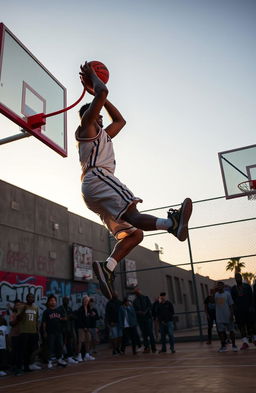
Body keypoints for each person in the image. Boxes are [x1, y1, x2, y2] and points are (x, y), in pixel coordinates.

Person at [76, 61, 193, 300]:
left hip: (95, 187)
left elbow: (121, 121)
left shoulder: (104, 134)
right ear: (91, 115)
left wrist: (100, 97)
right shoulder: (87, 127)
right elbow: (103, 92)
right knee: (133, 211)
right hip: (98, 178)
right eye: (97, 113)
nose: (101, 117)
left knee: (135, 234)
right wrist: (94, 81)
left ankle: (106, 267)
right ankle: (173, 223)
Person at [17, 293, 41, 371]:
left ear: (34, 299)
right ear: (26, 298)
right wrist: (24, 309)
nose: (31, 298)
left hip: (33, 332)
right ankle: (21, 366)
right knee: (23, 350)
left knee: (32, 349)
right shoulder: (22, 307)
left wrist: (37, 330)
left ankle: (29, 365)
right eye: (29, 297)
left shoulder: (35, 308)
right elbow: (18, 318)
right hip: (24, 331)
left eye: (32, 297)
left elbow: (36, 320)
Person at [231, 273, 256, 350]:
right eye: (236, 277)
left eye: (239, 277)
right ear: (235, 279)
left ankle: (255, 340)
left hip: (248, 310)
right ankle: (245, 343)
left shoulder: (247, 286)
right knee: (241, 327)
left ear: (241, 278)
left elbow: (252, 297)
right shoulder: (233, 288)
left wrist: (251, 307)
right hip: (239, 312)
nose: (238, 278)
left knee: (251, 326)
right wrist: (234, 312)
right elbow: (233, 301)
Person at [41, 295, 67, 369]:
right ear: (48, 302)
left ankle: (59, 360)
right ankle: (49, 361)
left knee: (59, 346)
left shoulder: (59, 310)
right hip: (50, 332)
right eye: (51, 300)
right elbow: (44, 323)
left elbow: (63, 318)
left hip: (58, 331)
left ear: (56, 302)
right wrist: (44, 331)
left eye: (54, 300)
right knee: (50, 347)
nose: (53, 302)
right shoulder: (46, 312)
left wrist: (64, 319)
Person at [215, 281, 238, 353]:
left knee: (231, 331)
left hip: (228, 316)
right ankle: (223, 346)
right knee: (221, 332)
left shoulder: (227, 294)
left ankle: (234, 345)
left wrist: (231, 315)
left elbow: (231, 305)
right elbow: (213, 302)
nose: (219, 287)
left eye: (220, 285)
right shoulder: (215, 294)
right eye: (218, 285)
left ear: (223, 286)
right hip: (219, 317)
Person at [133, 287, 156, 353]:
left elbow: (150, 306)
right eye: (135, 292)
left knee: (150, 333)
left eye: (137, 291)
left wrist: (145, 312)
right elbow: (134, 310)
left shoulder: (146, 298)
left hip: (148, 318)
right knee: (144, 334)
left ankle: (153, 348)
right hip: (141, 319)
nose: (137, 293)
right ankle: (146, 348)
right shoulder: (135, 301)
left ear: (140, 291)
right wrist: (139, 312)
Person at [75, 296, 95, 362]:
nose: (86, 302)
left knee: (88, 340)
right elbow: (79, 320)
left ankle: (87, 355)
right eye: (85, 300)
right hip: (81, 328)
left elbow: (90, 318)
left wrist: (92, 315)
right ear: (83, 301)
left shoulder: (89, 309)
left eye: (87, 301)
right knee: (80, 341)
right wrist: (84, 327)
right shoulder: (80, 309)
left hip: (87, 328)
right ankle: (79, 355)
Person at [58, 297, 77, 364]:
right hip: (62, 329)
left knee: (69, 343)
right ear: (62, 301)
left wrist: (70, 317)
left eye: (67, 300)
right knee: (61, 344)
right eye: (65, 300)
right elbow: (58, 318)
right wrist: (63, 318)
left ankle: (69, 357)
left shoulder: (69, 308)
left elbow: (74, 317)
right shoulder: (59, 309)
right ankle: (61, 357)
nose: (66, 301)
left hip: (69, 329)